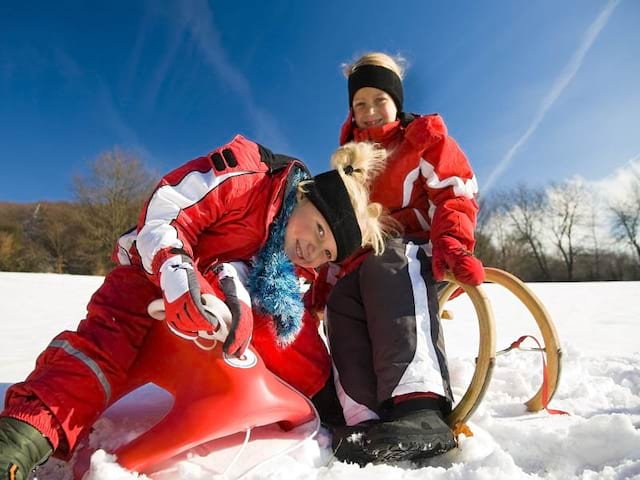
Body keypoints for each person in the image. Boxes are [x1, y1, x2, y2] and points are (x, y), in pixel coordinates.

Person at [0, 134, 392, 480]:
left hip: (212, 306)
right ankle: (18, 444)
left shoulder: (288, 268)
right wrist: (178, 277)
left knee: (292, 340)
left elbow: (289, 326)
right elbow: (167, 212)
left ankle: (342, 417)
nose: (313, 250)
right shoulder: (250, 176)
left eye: (326, 252)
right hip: (152, 278)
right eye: (319, 230)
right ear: (305, 195)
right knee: (103, 351)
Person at [309, 52, 485, 465]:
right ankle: (364, 417)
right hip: (370, 268)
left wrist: (453, 243)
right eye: (359, 104)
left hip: (429, 254)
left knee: (387, 257)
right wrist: (323, 283)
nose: (369, 112)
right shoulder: (348, 165)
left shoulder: (422, 139)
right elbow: (341, 232)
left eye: (378, 100)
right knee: (343, 300)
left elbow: (454, 194)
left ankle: (418, 405)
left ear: (396, 100)